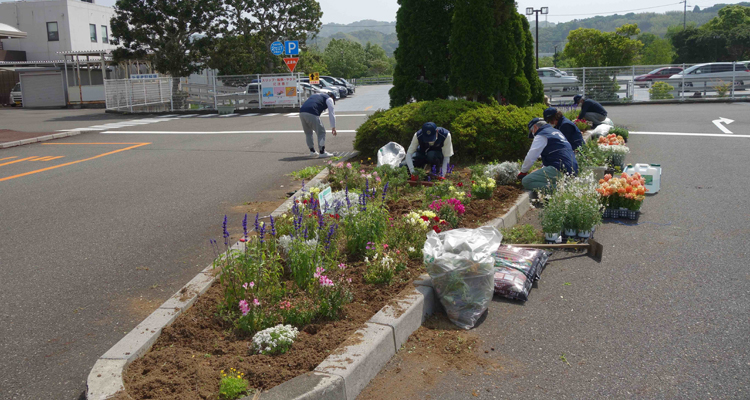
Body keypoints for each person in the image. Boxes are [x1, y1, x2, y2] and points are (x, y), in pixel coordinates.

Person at [517, 118, 578, 191]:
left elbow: (531, 156)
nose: (533, 135)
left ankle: (565, 189)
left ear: (535, 127)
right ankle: (566, 186)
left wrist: (523, 172)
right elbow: (555, 154)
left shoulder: (541, 134)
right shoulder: (556, 132)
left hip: (560, 168)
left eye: (532, 131)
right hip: (572, 168)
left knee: (526, 181)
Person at [299, 92, 337, 158]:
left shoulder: (316, 95)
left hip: (302, 112)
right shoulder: (329, 98)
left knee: (308, 133)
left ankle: (312, 151)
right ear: (332, 97)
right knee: (321, 132)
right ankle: (322, 152)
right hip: (312, 112)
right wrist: (333, 127)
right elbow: (331, 113)